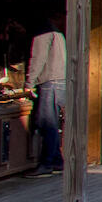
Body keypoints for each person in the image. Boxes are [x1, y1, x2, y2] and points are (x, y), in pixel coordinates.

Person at [28, 11, 66, 176]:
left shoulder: (42, 33)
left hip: (48, 82)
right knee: (53, 124)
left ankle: (47, 163)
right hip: (60, 80)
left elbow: (38, 59)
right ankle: (57, 161)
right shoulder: (57, 33)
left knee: (47, 124)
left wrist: (29, 83)